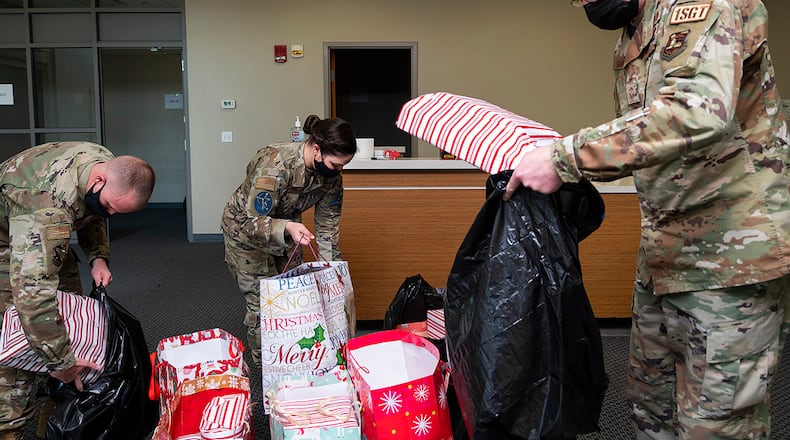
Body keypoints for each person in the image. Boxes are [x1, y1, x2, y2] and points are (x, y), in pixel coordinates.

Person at [503, 0, 790, 438]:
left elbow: (696, 113)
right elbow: (648, 133)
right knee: (651, 407)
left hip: (730, 257)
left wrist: (564, 158)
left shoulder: (705, 5)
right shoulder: (635, 31)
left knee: (717, 425)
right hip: (665, 252)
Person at [0, 141, 155, 439]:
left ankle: (59, 419)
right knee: (16, 343)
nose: (109, 212)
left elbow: (92, 210)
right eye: (110, 205)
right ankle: (10, 423)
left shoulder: (103, 164)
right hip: (7, 242)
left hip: (38, 228)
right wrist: (62, 364)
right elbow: (33, 297)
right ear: (100, 180)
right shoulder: (49, 207)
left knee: (70, 320)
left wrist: (98, 258)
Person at [221, 114, 356, 367]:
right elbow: (252, 222)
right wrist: (288, 226)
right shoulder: (274, 165)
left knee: (293, 299)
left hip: (287, 232)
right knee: (263, 304)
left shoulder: (331, 178)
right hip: (245, 234)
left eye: (343, 165)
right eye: (336, 164)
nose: (339, 171)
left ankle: (293, 359)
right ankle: (268, 369)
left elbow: (327, 227)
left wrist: (331, 271)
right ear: (316, 150)